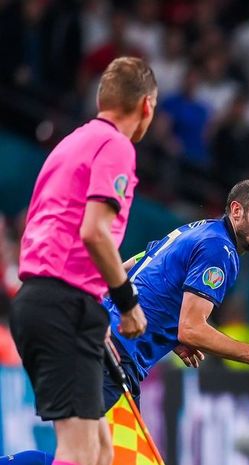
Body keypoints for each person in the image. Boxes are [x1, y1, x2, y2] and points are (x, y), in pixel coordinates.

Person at [1, 180, 249, 465]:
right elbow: (192, 328)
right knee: (92, 457)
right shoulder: (220, 250)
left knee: (92, 457)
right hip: (108, 354)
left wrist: (169, 330)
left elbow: (133, 267)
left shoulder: (198, 230)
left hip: (100, 346)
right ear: (236, 210)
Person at [9, 57, 156, 465]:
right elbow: (94, 232)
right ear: (146, 105)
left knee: (101, 453)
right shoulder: (116, 146)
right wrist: (127, 304)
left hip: (53, 300)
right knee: (78, 453)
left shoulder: (71, 142)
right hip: (63, 304)